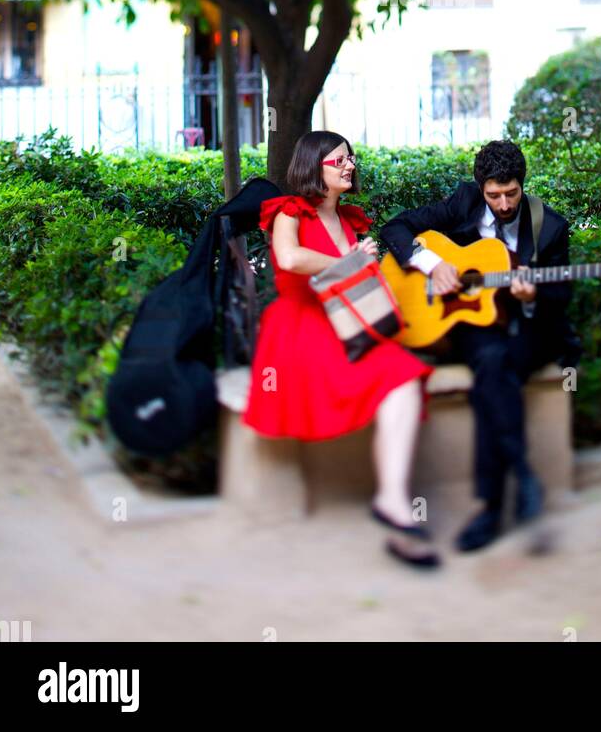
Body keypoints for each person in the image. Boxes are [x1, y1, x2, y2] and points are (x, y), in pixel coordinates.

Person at [243, 130, 440, 568]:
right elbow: (291, 260)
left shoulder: (351, 220)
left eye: (349, 158)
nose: (348, 165)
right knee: (389, 376)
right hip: (298, 328)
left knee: (405, 377)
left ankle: (392, 500)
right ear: (314, 167)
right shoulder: (288, 211)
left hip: (344, 325)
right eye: (337, 160)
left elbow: (355, 283)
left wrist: (362, 268)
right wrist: (351, 262)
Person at [380, 139, 581, 552]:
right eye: (494, 195)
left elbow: (560, 296)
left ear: (523, 186)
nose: (504, 203)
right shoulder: (463, 202)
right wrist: (433, 265)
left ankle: (490, 509)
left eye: (512, 193)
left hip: (528, 329)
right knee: (491, 361)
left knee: (493, 370)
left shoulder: (551, 227)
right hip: (472, 323)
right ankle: (521, 475)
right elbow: (394, 229)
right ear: (481, 188)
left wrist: (533, 297)